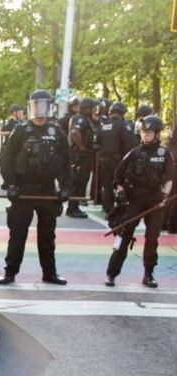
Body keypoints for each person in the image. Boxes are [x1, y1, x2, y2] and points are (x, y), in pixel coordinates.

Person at [0, 89, 70, 286]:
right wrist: (11, 183)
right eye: (36, 104)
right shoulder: (20, 130)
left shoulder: (57, 132)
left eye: (43, 104)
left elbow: (66, 162)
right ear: (31, 106)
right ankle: (10, 272)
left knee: (47, 235)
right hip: (24, 190)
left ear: (49, 106)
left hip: (47, 190)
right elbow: (6, 158)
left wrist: (65, 187)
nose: (40, 108)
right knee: (18, 233)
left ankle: (50, 273)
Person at [105, 115, 174, 288]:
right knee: (124, 234)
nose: (145, 135)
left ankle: (148, 274)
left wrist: (165, 197)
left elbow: (170, 178)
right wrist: (120, 191)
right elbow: (118, 176)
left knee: (152, 239)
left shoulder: (165, 154)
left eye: (149, 132)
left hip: (155, 201)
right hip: (135, 200)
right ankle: (111, 273)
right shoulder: (134, 153)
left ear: (157, 134)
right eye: (143, 132)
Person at [96, 101, 137, 215]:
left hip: (104, 159)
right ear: (122, 113)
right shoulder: (124, 125)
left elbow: (97, 142)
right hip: (119, 160)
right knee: (121, 183)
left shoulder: (104, 125)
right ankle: (120, 208)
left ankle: (107, 208)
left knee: (107, 184)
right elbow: (132, 144)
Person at [65, 97, 95, 218]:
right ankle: (73, 208)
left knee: (80, 182)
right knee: (78, 182)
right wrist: (83, 148)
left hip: (79, 155)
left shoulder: (80, 118)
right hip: (79, 156)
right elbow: (74, 133)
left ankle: (74, 207)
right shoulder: (81, 119)